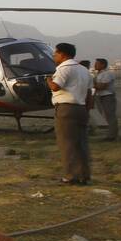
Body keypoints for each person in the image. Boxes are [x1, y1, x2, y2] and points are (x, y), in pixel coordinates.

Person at [47, 43, 92, 184]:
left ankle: (71, 176)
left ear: (63, 54)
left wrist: (48, 79)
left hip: (66, 109)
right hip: (81, 108)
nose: (54, 56)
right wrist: (87, 109)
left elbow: (55, 87)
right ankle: (84, 175)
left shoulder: (63, 69)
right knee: (81, 143)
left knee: (67, 143)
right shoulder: (84, 70)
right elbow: (90, 92)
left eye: (55, 54)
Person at [92, 58, 118, 140]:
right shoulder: (98, 74)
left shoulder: (107, 73)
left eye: (97, 64)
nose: (95, 65)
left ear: (103, 65)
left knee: (110, 115)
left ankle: (112, 135)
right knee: (106, 115)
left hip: (107, 96)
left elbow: (102, 86)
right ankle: (110, 134)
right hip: (100, 96)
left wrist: (92, 85)